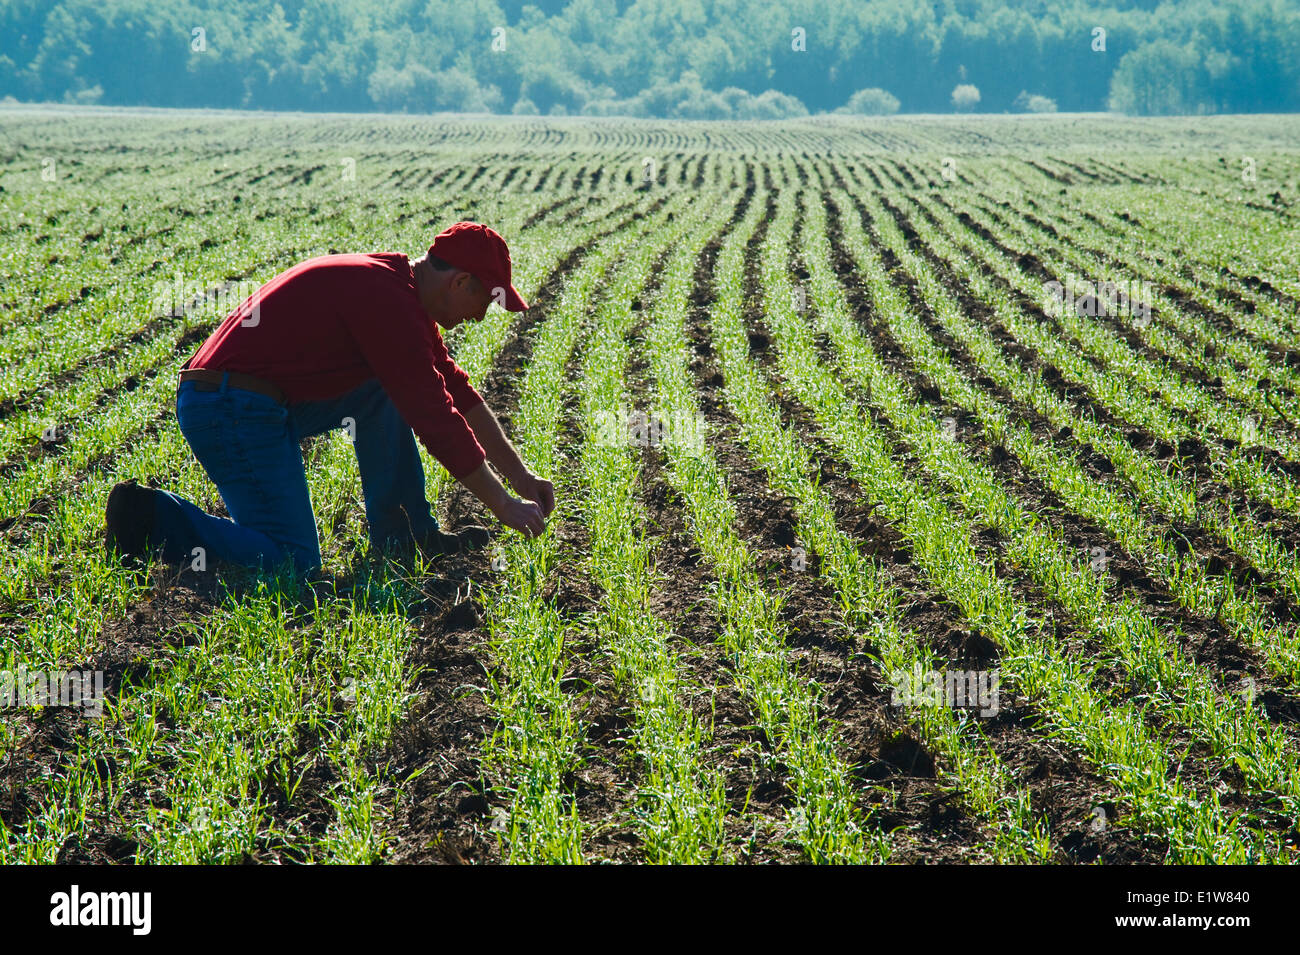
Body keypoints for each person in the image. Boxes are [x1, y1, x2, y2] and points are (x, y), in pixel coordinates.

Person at [104, 221, 554, 576]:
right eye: (485, 303)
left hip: (250, 402)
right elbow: (435, 418)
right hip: (229, 408)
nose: (479, 317)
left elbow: (455, 391)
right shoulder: (388, 302)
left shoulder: (399, 294)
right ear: (460, 283)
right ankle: (151, 518)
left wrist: (521, 478)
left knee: (381, 390)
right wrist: (502, 505)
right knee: (293, 562)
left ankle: (405, 537)